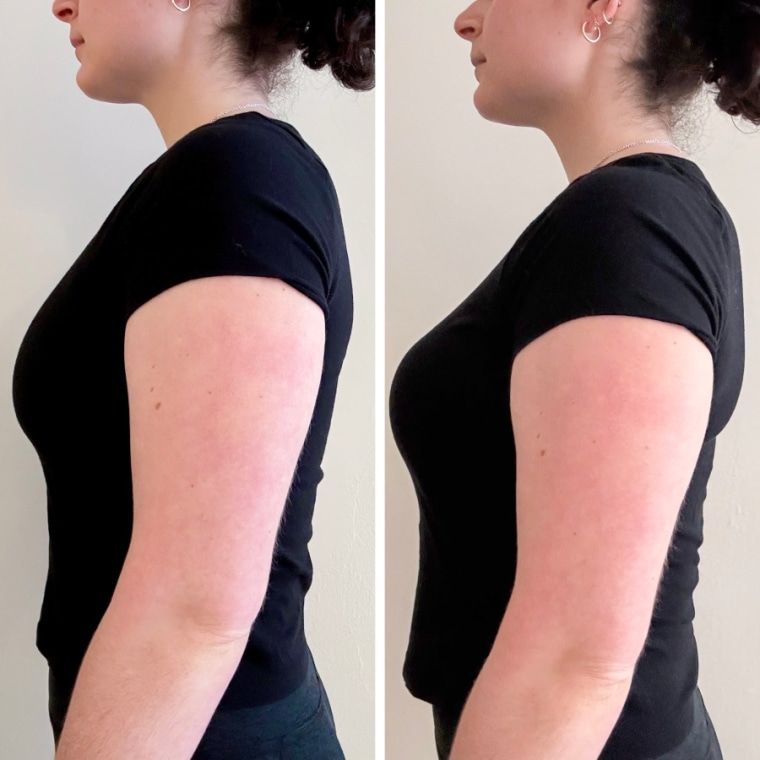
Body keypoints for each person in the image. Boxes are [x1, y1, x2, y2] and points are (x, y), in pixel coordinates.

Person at [389, 0, 754, 758]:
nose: (465, 19)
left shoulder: (629, 228)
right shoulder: (643, 218)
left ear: (601, 7)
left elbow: (571, 663)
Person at [12, 0, 373, 757]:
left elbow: (193, 614)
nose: (61, 5)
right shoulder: (217, 179)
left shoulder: (239, 181)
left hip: (203, 728)